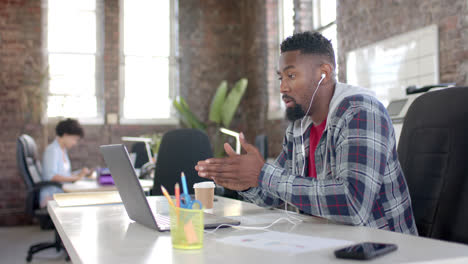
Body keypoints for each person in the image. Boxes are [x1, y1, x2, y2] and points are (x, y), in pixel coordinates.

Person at [195, 31, 418, 235]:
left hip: (384, 249)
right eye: (281, 77)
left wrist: (262, 174)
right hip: (329, 243)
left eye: (291, 76)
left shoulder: (360, 113)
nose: (282, 87)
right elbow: (273, 194)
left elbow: (353, 205)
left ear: (324, 73)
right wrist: (246, 181)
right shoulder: (300, 126)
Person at [39, 118, 90, 207]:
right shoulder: (52, 150)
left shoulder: (62, 150)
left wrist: (79, 174)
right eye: (74, 139)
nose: (75, 143)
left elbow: (64, 174)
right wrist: (76, 178)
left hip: (61, 193)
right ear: (65, 135)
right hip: (52, 196)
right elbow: (52, 177)